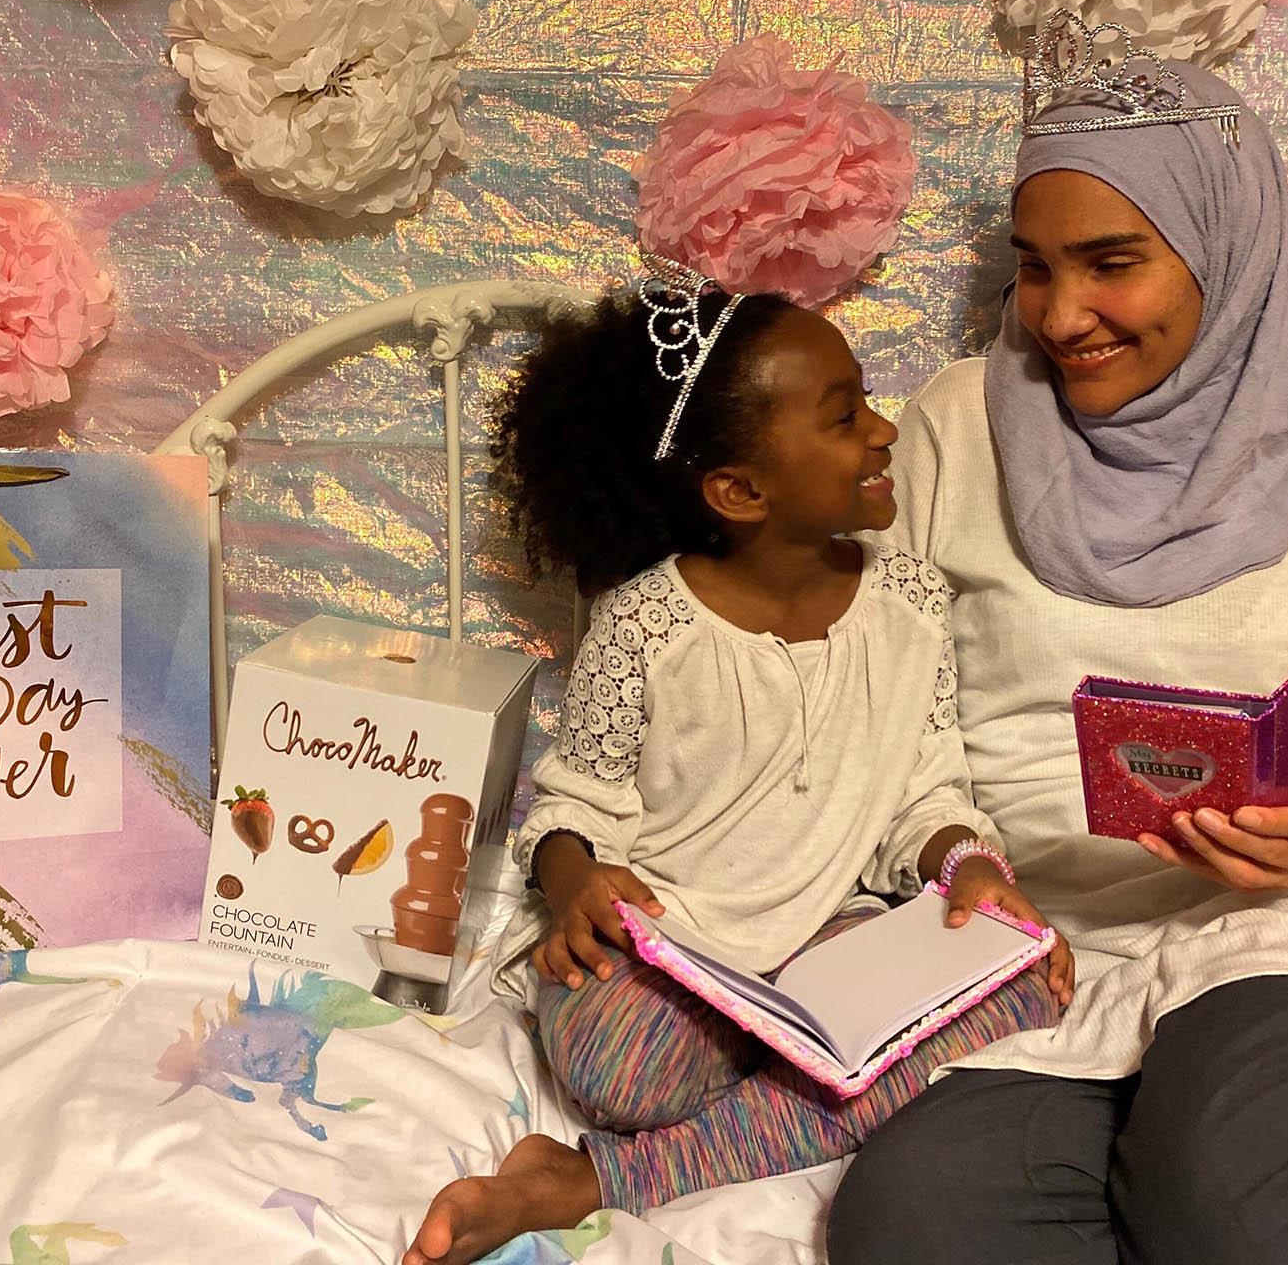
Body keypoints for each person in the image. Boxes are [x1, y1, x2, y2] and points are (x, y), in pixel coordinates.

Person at [827, 33, 1288, 1263]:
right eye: (1034, 270)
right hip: (1054, 964)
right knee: (916, 1220)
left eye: (1112, 264)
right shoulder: (957, 425)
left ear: (1226, 256)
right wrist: (959, 855)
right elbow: (890, 716)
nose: (1063, 316)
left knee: (1240, 1207)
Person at [403, 263, 1069, 1265]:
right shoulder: (647, 626)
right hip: (677, 948)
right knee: (622, 1074)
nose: (885, 431)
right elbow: (573, 804)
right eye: (845, 417)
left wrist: (966, 866)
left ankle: (590, 1178)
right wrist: (580, 882)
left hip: (827, 941)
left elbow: (926, 792)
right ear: (741, 489)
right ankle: (794, 1082)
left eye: (868, 406)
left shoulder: (912, 603)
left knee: (1029, 995)